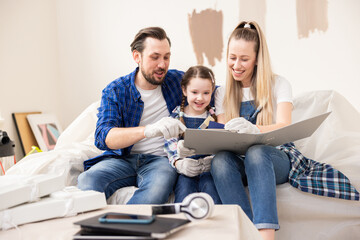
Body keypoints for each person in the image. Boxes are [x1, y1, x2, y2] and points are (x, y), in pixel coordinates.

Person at [77, 27, 187, 204]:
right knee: (87, 180)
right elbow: (103, 136)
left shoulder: (178, 82)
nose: (162, 64)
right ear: (137, 56)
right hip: (122, 159)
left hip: (160, 161)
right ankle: (93, 229)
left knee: (159, 187)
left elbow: (213, 92)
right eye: (155, 57)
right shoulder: (116, 90)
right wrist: (148, 130)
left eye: (166, 57)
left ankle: (126, 228)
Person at [210, 21, 293, 240]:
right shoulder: (222, 93)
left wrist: (255, 129)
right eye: (232, 57)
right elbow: (224, 138)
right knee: (219, 160)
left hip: (275, 160)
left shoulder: (279, 84)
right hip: (241, 161)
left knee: (257, 153)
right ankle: (245, 232)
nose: (236, 65)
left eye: (244, 59)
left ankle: (266, 236)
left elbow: (286, 126)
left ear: (257, 59)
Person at [164, 65, 222, 204]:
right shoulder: (176, 115)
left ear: (212, 91)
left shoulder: (215, 116)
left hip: (209, 171)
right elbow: (169, 144)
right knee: (184, 196)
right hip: (186, 171)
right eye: (194, 92)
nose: (200, 98)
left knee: (213, 197)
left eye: (206, 93)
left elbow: (222, 143)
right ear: (184, 90)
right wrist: (179, 163)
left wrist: (213, 160)